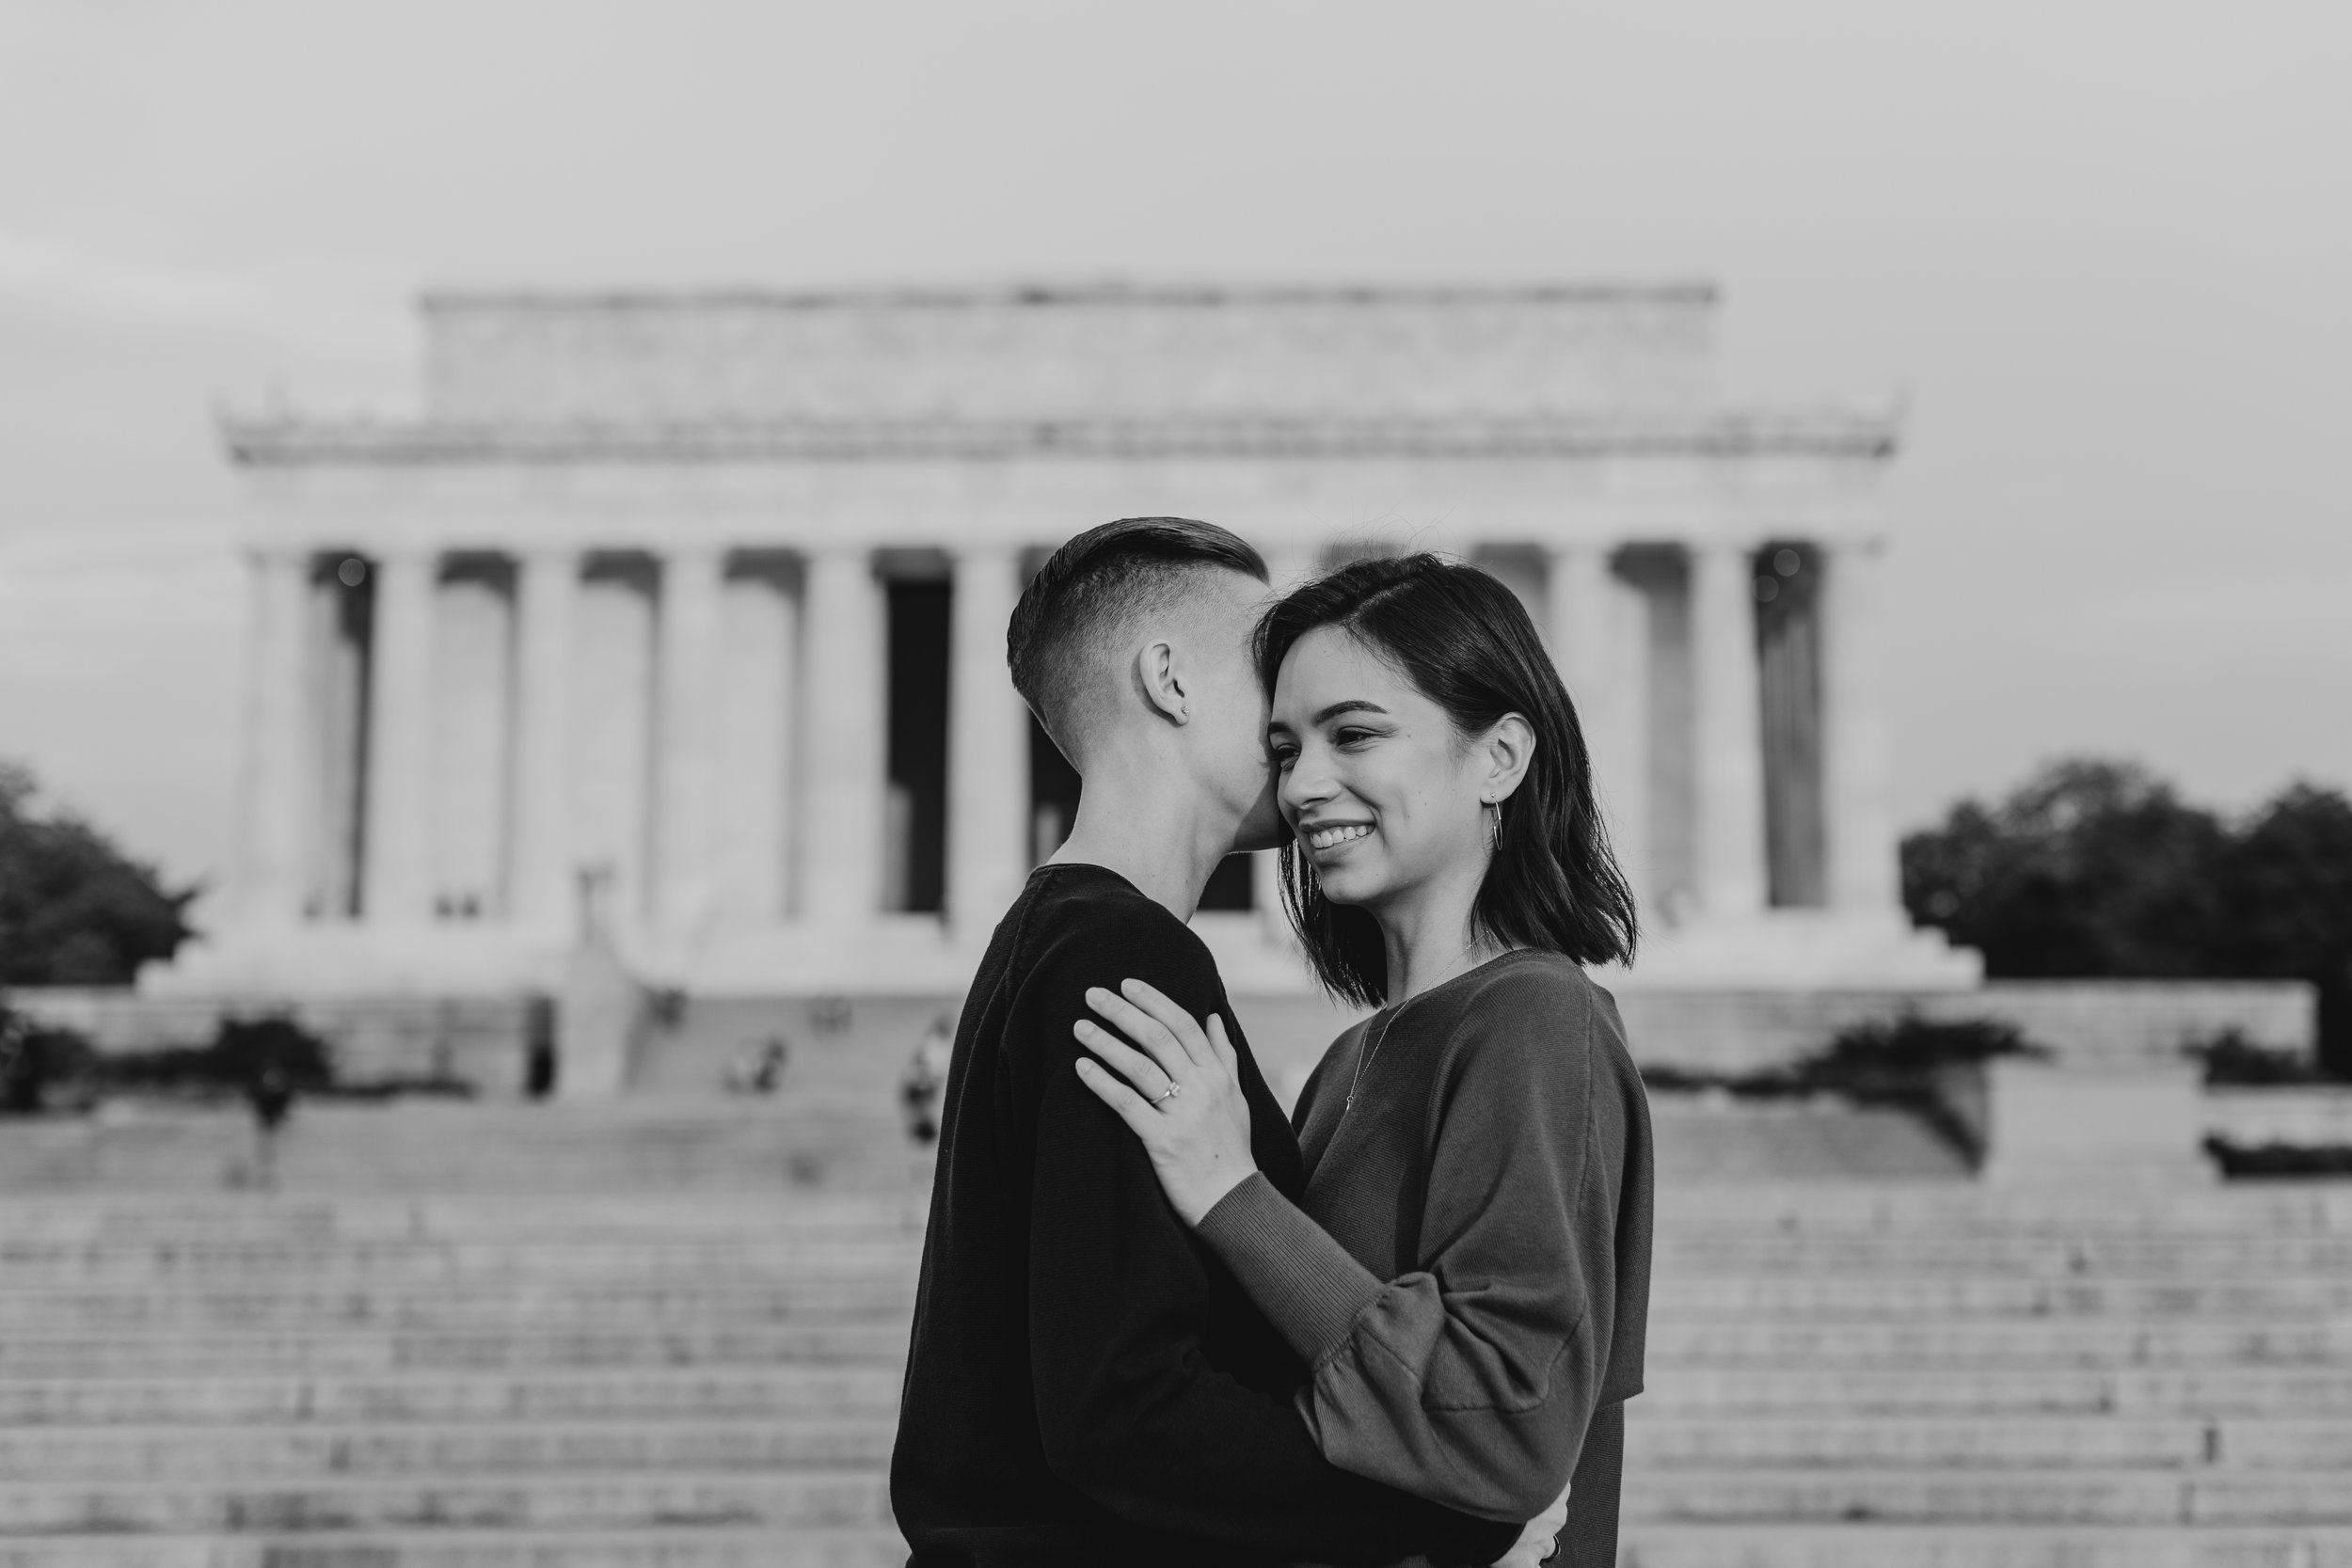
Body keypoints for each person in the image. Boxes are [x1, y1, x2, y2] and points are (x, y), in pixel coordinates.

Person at [890, 521, 1561, 1567]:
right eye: (1269, 656)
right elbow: (1124, 1404)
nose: (1299, 695)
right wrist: (1441, 1523)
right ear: (1169, 680)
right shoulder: (1118, 954)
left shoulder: (1050, 940)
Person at [1072, 554, 1654, 1567]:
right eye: (1283, 745)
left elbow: (1503, 1424)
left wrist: (1228, 1190)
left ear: (1500, 756)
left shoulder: (1537, 1018)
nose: (1300, 785)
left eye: (1355, 733)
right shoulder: (1354, 1054)